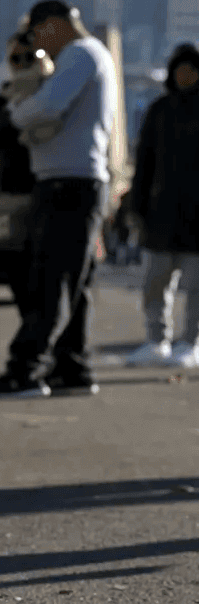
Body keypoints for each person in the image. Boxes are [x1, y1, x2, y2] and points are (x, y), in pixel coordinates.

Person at [0, 0, 118, 399]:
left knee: (50, 284)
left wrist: (11, 119)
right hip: (69, 183)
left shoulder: (80, 54)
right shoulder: (86, 56)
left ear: (54, 25)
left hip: (69, 186)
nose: (39, 44)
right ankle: (72, 368)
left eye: (39, 34)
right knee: (71, 284)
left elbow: (49, 104)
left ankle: (25, 371)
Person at [0, 30, 54, 317]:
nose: (22, 63)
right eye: (16, 58)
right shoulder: (8, 93)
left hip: (39, 190)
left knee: (38, 272)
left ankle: (37, 337)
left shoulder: (49, 91)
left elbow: (14, 132)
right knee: (16, 267)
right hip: (7, 192)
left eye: (30, 56)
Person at [124, 43, 199, 369]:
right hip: (161, 216)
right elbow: (144, 163)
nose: (185, 75)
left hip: (198, 220)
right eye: (179, 69)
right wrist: (136, 206)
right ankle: (156, 342)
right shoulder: (159, 110)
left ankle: (191, 343)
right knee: (155, 283)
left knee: (196, 289)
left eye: (191, 70)